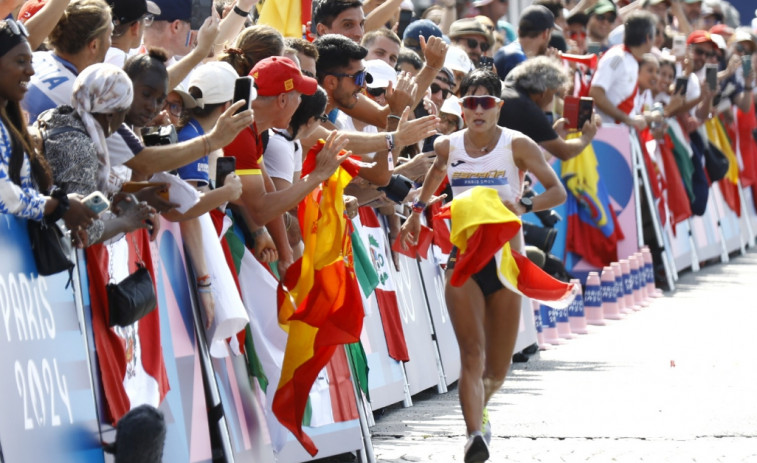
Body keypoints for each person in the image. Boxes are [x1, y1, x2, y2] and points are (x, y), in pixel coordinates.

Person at [398, 68, 566, 463]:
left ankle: (481, 411)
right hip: (463, 262)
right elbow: (437, 174)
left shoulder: (517, 145)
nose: (477, 110)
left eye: (485, 103)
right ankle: (474, 434)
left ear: (498, 107)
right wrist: (416, 212)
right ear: (461, 106)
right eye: (469, 102)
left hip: (507, 262)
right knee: (471, 355)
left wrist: (523, 205)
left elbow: (556, 191)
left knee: (498, 367)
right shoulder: (447, 145)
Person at [0, 18, 95, 234]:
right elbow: (5, 195)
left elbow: (28, 188)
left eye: (31, 61)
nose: (31, 71)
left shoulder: (10, 123)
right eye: (21, 61)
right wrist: (56, 206)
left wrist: (66, 208)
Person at [22, 0, 113, 122]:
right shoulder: (81, 96)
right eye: (110, 35)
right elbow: (128, 141)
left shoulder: (35, 58)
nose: (111, 43)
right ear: (94, 45)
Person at [499, 56, 599, 160]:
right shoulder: (528, 109)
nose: (553, 99)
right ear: (544, 92)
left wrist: (553, 135)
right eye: (554, 94)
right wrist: (587, 136)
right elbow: (565, 152)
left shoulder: (506, 89)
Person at [589, 10, 657, 129]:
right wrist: (627, 119)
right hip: (607, 136)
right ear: (647, 38)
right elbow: (596, 92)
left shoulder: (633, 60)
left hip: (621, 135)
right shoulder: (617, 57)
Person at [493, 5, 555, 79]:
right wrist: (549, 67)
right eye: (551, 33)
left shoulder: (513, 53)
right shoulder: (516, 58)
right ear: (546, 33)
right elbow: (534, 89)